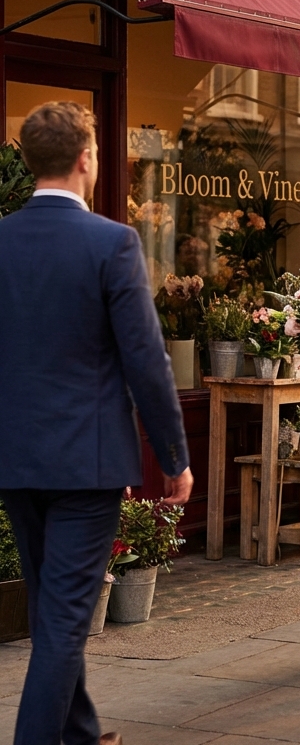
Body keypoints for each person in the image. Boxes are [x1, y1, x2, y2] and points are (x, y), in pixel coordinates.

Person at [0, 102, 192, 745]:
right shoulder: (113, 242)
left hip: (15, 459)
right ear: (87, 159)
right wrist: (173, 455)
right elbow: (146, 360)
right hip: (87, 464)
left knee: (55, 609)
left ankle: (81, 734)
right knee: (62, 624)